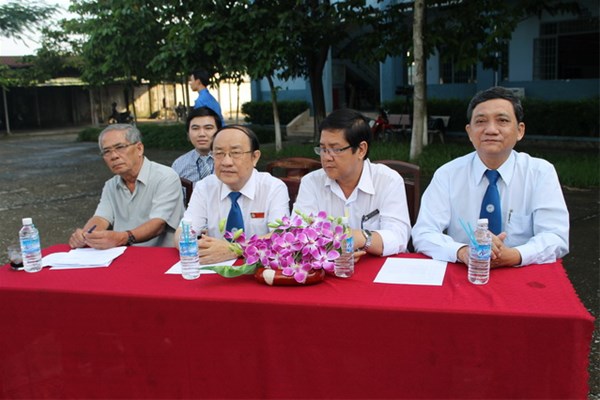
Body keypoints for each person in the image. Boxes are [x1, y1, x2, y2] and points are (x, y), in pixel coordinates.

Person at [412, 86, 569, 268]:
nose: (491, 130)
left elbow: (555, 236)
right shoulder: (447, 174)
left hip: (522, 272)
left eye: (502, 120)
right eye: (481, 121)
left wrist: (515, 255)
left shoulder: (540, 173)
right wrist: (463, 252)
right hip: (466, 271)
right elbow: (424, 232)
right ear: (470, 132)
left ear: (520, 130)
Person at [293, 108, 411, 257]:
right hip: (330, 265)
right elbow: (298, 234)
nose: (327, 157)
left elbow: (398, 237)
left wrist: (361, 238)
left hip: (378, 265)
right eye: (323, 149)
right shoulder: (311, 183)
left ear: (361, 150)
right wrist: (335, 250)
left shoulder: (388, 181)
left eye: (336, 149)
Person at [176, 125, 290, 264]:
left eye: (236, 153)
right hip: (215, 266)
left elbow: (280, 236)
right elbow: (182, 232)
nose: (226, 162)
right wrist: (196, 247)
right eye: (219, 153)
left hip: (257, 267)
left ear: (255, 157)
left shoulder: (273, 188)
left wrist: (235, 249)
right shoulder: (205, 187)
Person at [69, 124, 184, 249]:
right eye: (107, 151)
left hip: (160, 253)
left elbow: (158, 225)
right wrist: (86, 235)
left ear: (139, 148)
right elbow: (101, 218)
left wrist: (122, 238)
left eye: (120, 147)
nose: (114, 156)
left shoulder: (165, 177)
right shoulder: (111, 185)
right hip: (122, 252)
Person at [171, 107, 222, 183]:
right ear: (188, 134)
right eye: (195, 128)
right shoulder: (178, 165)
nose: (201, 134)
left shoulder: (231, 161)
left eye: (208, 128)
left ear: (219, 132)